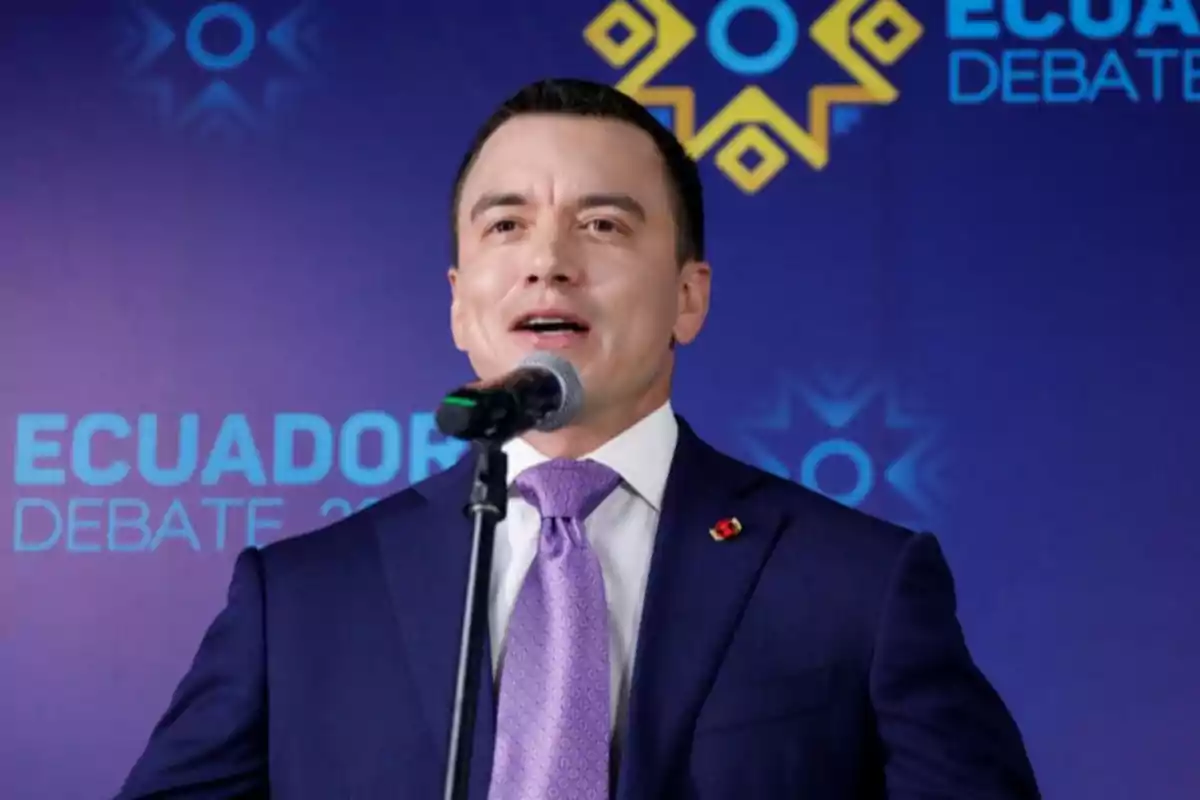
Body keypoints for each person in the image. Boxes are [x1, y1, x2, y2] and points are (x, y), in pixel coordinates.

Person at [116, 77, 1040, 799]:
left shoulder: (860, 586)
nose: (548, 259)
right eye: (506, 224)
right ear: (458, 302)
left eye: (602, 224)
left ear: (689, 296)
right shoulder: (300, 600)